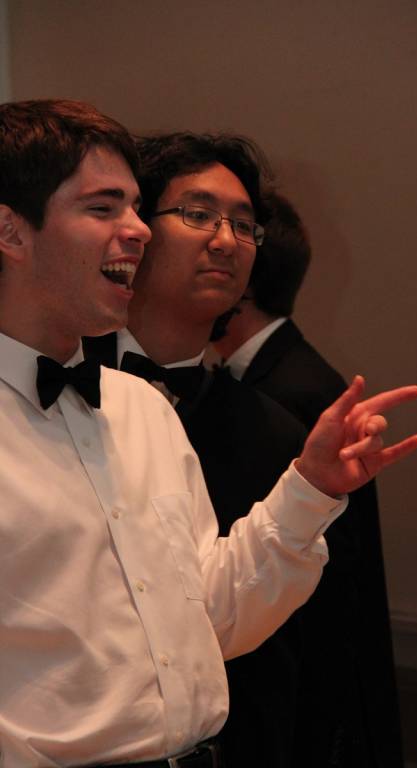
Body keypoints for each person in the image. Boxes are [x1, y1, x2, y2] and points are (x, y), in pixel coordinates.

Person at [0, 99, 417, 768]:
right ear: (11, 231)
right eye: (103, 208)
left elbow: (210, 621)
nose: (137, 230)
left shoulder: (142, 410)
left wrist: (309, 489)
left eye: (136, 208)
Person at [83, 132, 310, 768]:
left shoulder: (275, 433)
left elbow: (298, 649)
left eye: (243, 225)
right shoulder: (57, 391)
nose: (226, 241)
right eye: (198, 213)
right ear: (134, 231)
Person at [214, 192, 405, 767]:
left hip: (309, 694)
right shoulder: (282, 376)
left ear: (241, 280)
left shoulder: (286, 394)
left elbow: (323, 587)